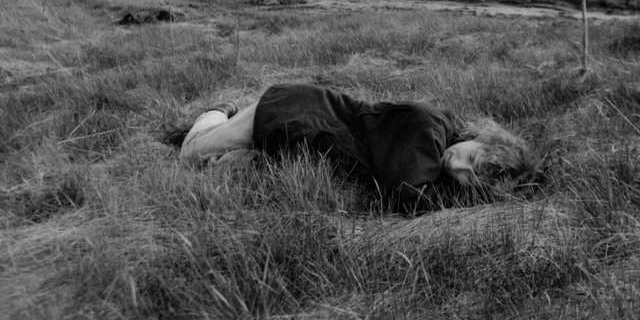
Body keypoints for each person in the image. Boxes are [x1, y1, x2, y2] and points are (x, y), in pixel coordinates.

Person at [180, 83, 534, 196]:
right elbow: (405, 190)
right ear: (480, 138)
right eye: (470, 159)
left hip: (295, 138)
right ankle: (218, 111)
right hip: (287, 112)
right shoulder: (428, 126)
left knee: (224, 171)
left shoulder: (438, 153)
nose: (456, 167)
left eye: (468, 180)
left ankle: (241, 148)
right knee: (190, 152)